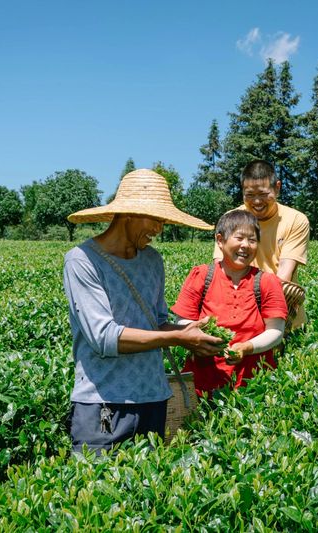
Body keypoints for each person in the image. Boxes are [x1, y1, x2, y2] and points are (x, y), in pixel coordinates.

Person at [63, 168, 224, 452]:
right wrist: (179, 338)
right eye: (155, 219)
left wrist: (190, 331)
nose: (158, 229)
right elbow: (104, 337)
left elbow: (157, 322)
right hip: (103, 402)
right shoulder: (82, 260)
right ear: (129, 214)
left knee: (148, 478)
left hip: (153, 397)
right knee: (98, 477)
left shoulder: (152, 260)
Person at [172, 210, 288, 395]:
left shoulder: (267, 282)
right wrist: (200, 339)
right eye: (239, 238)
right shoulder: (201, 275)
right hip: (202, 383)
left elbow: (275, 331)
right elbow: (182, 321)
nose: (246, 245)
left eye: (252, 240)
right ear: (220, 240)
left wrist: (246, 348)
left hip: (253, 386)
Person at [214, 160, 310, 329]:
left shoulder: (295, 220)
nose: (257, 201)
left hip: (284, 318)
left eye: (263, 194)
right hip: (237, 316)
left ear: (277, 188)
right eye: (250, 195)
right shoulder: (230, 219)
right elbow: (220, 271)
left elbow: (283, 275)